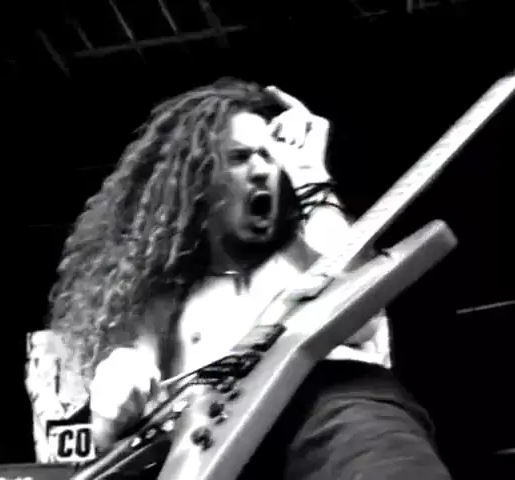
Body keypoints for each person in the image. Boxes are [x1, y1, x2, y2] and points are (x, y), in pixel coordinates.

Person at [49, 78, 452, 479]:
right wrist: (114, 393)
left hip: (335, 409)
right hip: (210, 449)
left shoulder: (315, 251)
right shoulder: (167, 299)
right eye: (240, 157)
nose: (261, 170)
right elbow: (113, 427)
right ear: (202, 181)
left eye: (271, 157)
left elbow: (360, 312)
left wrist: (310, 174)